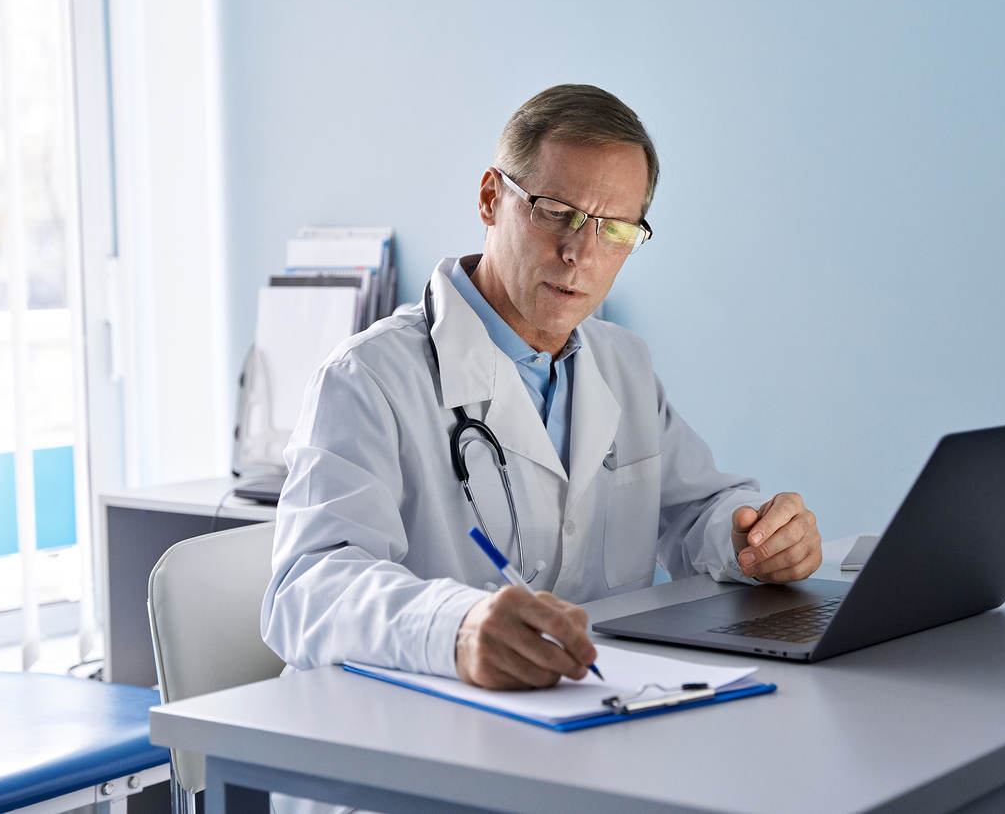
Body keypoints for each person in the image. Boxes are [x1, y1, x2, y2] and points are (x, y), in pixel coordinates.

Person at [261, 84, 822, 692]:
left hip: (593, 712)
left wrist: (751, 540)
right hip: (417, 735)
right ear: (490, 198)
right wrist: (455, 627)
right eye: (557, 211)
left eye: (614, 230)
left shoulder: (621, 363)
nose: (579, 252)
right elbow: (307, 591)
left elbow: (694, 514)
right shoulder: (369, 377)